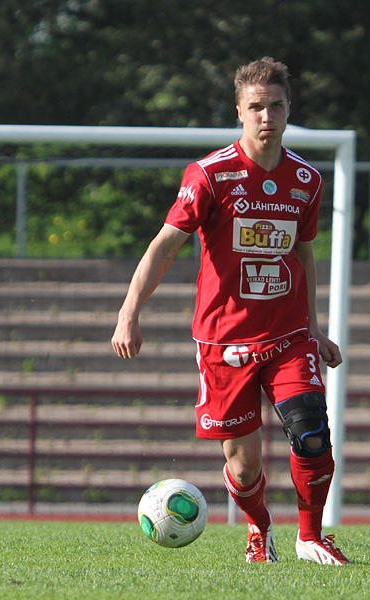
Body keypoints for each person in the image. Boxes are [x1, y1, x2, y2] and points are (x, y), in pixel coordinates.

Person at [111, 57, 349, 565]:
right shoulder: (210, 175)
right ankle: (260, 530)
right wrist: (130, 310)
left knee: (311, 432)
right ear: (240, 111)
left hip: (288, 336)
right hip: (225, 343)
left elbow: (302, 254)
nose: (267, 116)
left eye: (277, 106)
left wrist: (315, 329)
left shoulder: (306, 179)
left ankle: (312, 536)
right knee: (243, 468)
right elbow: (163, 247)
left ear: (289, 110)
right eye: (256, 107)